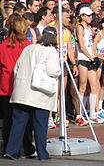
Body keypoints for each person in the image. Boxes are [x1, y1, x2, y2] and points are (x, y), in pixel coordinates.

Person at [4, 27, 60, 160]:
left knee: (18, 123)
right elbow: (52, 70)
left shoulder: (29, 48)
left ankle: (11, 150)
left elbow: (17, 67)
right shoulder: (50, 51)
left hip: (22, 92)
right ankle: (42, 153)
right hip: (40, 93)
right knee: (40, 125)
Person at [0, 14, 34, 154]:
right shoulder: (29, 46)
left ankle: (8, 148)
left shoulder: (3, 45)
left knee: (8, 121)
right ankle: (27, 148)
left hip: (6, 87)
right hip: (24, 87)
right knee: (26, 120)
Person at [76, 7, 104, 123]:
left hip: (90, 59)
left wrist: (95, 57)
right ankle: (79, 114)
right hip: (83, 59)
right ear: (82, 16)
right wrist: (91, 58)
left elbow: (90, 46)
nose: (90, 17)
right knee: (82, 87)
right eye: (88, 15)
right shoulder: (80, 27)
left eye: (91, 15)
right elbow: (82, 46)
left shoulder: (88, 28)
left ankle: (92, 113)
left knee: (94, 86)